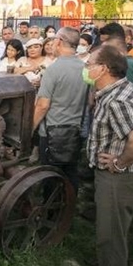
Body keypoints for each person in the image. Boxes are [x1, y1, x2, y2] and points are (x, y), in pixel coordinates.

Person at [83, 45, 133, 266]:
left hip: (118, 178)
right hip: (124, 177)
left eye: (89, 64)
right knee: (115, 230)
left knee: (111, 234)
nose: (85, 68)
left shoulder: (117, 101)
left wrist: (119, 163)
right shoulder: (123, 90)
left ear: (103, 69)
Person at [32, 27, 88, 191]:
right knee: (70, 173)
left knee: (50, 176)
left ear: (59, 41)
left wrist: (30, 128)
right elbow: (90, 100)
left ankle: (52, 213)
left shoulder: (53, 70)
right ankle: (68, 207)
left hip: (51, 133)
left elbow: (42, 106)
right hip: (74, 131)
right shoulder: (85, 68)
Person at [99, 23, 133, 95]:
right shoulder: (125, 62)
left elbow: (119, 95)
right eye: (101, 42)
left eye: (106, 41)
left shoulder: (126, 65)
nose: (102, 45)